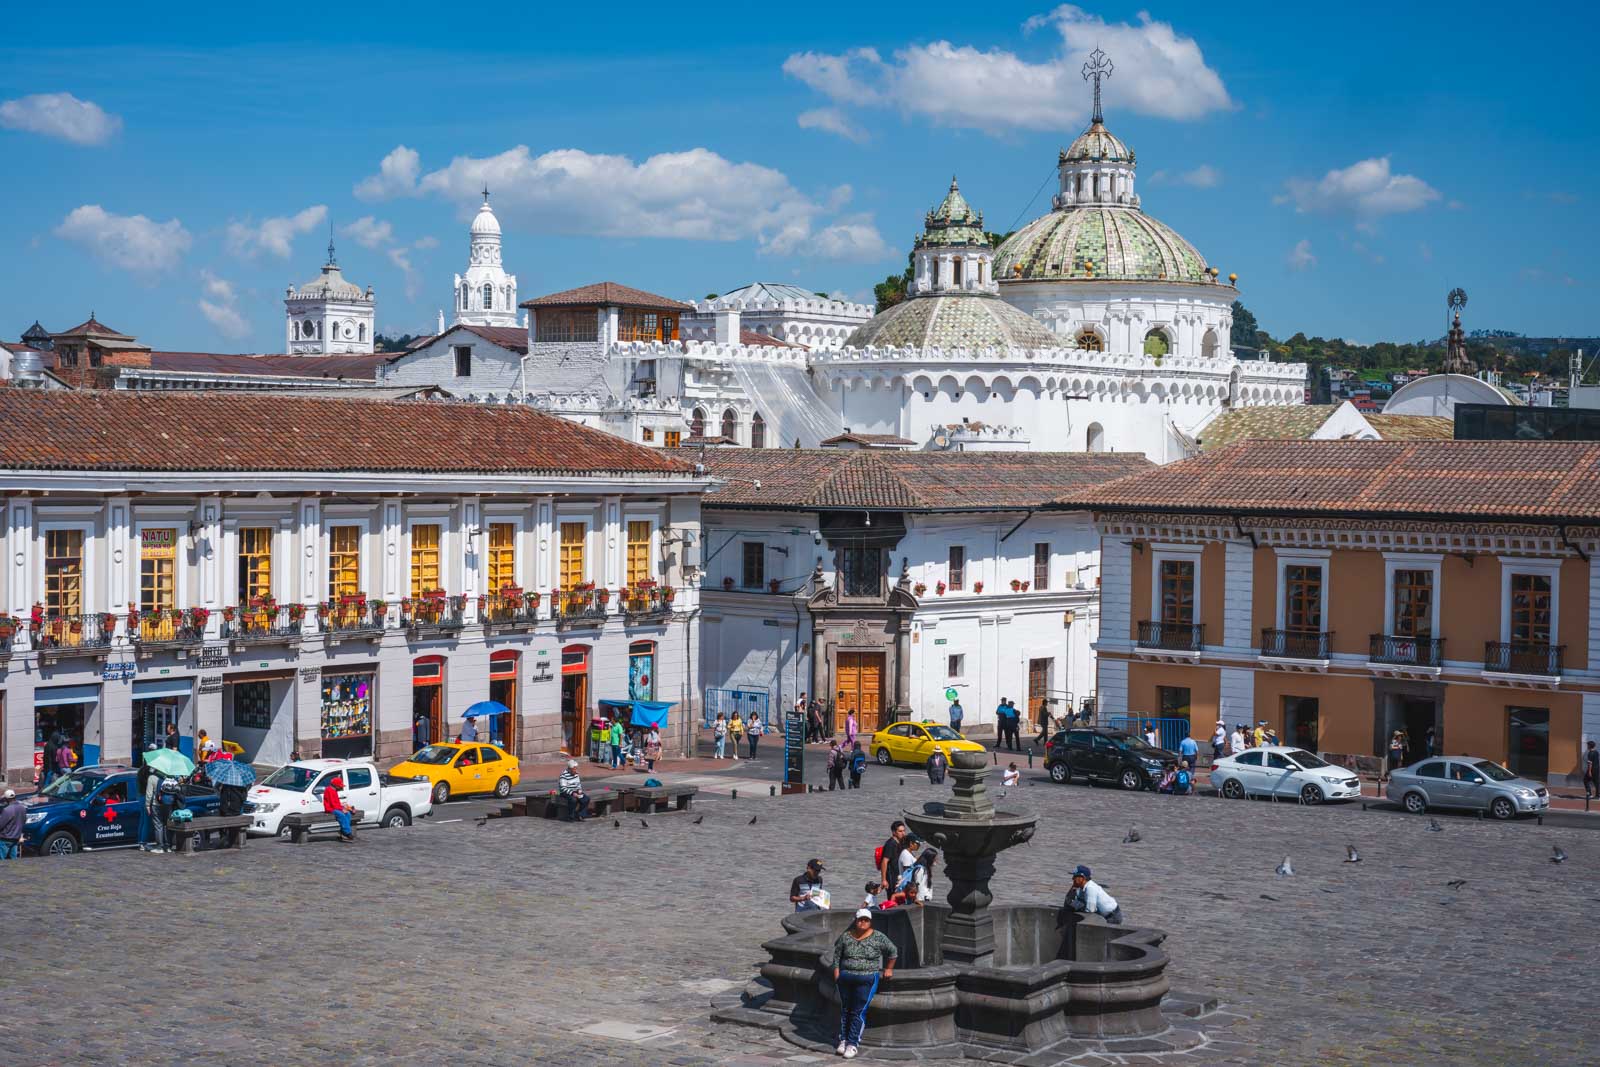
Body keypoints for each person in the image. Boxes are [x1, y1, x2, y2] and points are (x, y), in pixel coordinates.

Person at [826, 908, 898, 1058]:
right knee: (846, 1009)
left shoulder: (878, 937)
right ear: (855, 920)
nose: (862, 922)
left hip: (867, 978)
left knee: (859, 1010)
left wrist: (888, 968)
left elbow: (893, 951)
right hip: (845, 978)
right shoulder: (846, 936)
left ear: (870, 921)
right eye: (860, 919)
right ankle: (843, 1039)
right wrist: (837, 972)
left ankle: (853, 1043)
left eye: (866, 920)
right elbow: (837, 955)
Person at [323, 773, 355, 842]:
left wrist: (344, 807)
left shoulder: (334, 790)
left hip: (335, 807)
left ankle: (343, 831)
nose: (341, 787)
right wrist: (342, 809)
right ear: (336, 786)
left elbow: (336, 803)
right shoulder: (329, 790)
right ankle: (347, 832)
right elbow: (333, 804)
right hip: (330, 809)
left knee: (348, 814)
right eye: (340, 786)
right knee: (341, 815)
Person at [878, 820, 908, 893]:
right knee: (892, 898)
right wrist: (884, 880)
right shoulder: (890, 844)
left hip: (900, 875)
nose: (903, 833)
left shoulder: (902, 842)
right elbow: (884, 862)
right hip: (892, 877)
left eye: (904, 831)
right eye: (900, 831)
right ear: (894, 832)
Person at [0, 789, 24, 860]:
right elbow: (23, 821)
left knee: (2, 859)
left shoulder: (7, 810)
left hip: (5, 838)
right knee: (13, 859)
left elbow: (1, 824)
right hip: (16, 837)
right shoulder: (22, 808)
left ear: (6, 799)